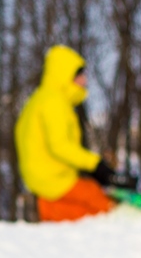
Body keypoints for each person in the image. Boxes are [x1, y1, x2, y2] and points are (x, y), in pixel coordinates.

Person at [14, 45, 118, 222]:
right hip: (54, 180)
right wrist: (96, 165)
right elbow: (60, 146)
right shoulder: (54, 102)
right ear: (65, 75)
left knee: (82, 208)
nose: (84, 81)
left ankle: (47, 209)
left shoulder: (39, 99)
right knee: (101, 205)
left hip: (44, 182)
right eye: (79, 75)